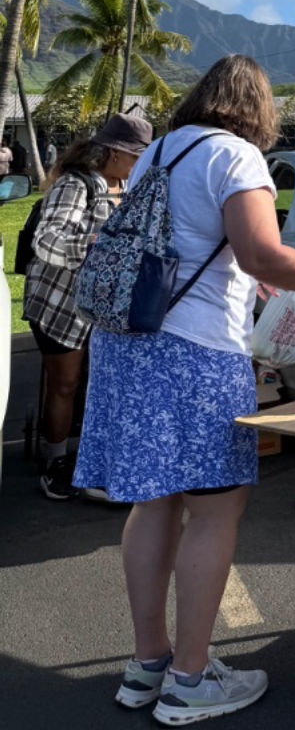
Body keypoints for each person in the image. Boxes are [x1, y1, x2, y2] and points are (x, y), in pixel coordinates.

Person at [72, 56, 295, 724]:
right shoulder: (236, 156)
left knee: (154, 502)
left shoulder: (160, 149)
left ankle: (150, 664)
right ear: (258, 108)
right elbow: (260, 253)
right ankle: (192, 679)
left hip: (128, 343)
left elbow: (192, 246)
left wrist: (251, 272)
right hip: (195, 353)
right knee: (215, 510)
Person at [24, 111, 152, 501]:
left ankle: (93, 458)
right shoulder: (76, 185)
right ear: (114, 152)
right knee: (65, 383)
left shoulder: (129, 185)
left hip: (104, 308)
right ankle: (56, 460)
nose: (140, 163)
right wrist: (105, 246)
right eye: (136, 155)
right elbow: (48, 242)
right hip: (60, 304)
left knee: (98, 384)